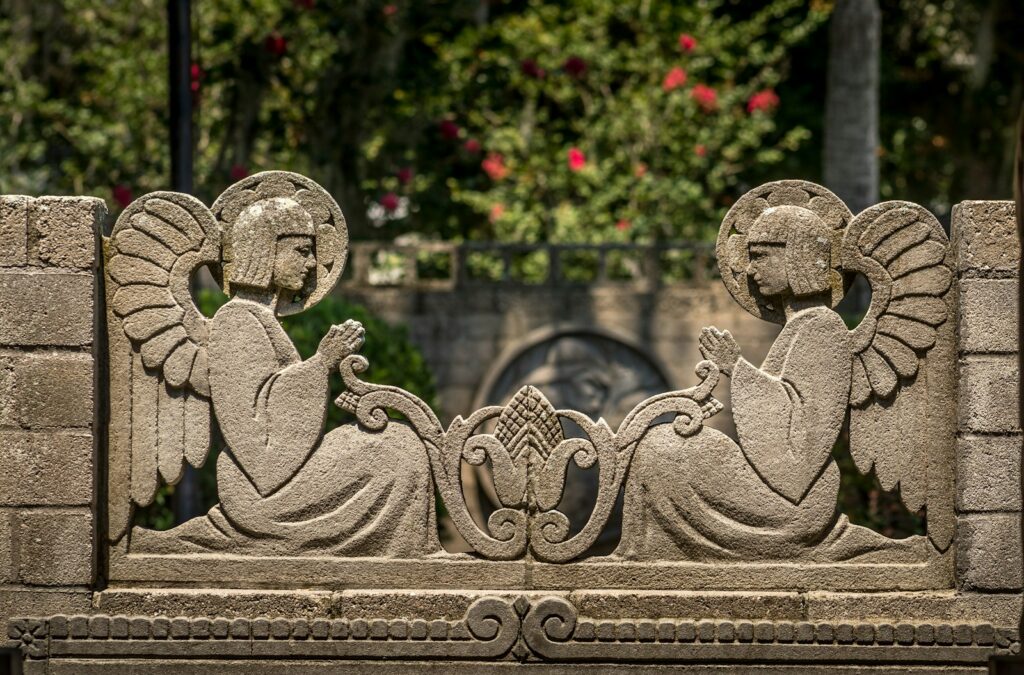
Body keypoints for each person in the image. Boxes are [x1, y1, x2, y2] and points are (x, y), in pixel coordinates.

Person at [134, 196, 441, 557]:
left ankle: (403, 557)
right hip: (261, 494)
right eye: (301, 251)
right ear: (265, 250)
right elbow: (258, 446)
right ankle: (399, 560)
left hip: (281, 475)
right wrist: (321, 363)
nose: (311, 264)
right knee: (397, 452)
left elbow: (276, 402)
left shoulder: (261, 319)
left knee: (397, 444)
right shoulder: (237, 322)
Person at [616, 205, 923, 562]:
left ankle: (654, 556)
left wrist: (737, 367)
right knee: (661, 443)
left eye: (761, 256)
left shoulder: (822, 328)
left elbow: (802, 441)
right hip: (778, 485)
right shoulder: (801, 326)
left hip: (795, 501)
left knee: (662, 449)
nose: (750, 269)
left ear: (797, 256)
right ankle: (649, 552)